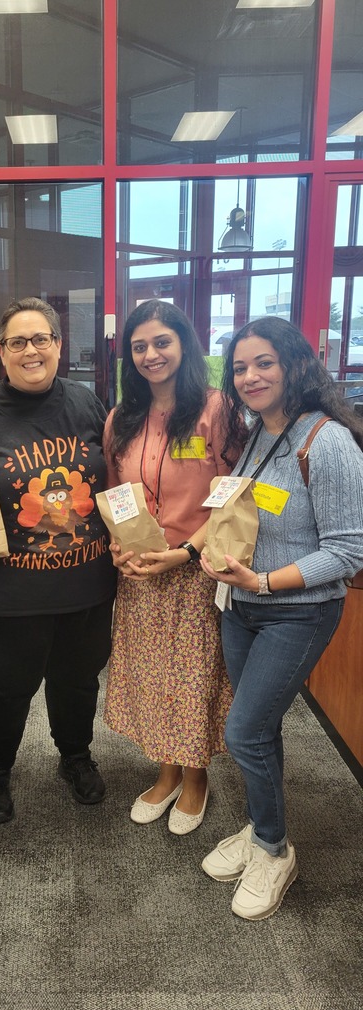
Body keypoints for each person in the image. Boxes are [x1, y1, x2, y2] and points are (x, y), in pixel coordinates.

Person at [200, 316, 363, 920]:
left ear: (294, 365)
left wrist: (263, 580)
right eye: (240, 367)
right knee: (258, 728)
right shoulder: (259, 436)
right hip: (240, 607)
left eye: (263, 362)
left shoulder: (328, 442)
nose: (249, 376)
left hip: (297, 613)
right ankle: (260, 827)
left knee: (243, 730)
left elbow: (348, 551)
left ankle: (273, 849)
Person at [0, 297, 116, 824]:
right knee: (1, 689)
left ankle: (74, 756)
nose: (30, 350)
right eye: (18, 341)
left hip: (85, 587)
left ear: (58, 345)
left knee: (78, 682)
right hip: (5, 594)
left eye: (41, 339)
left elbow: (113, 479)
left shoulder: (87, 404)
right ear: (1, 352)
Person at [103, 300, 244, 834]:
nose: (150, 354)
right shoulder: (122, 417)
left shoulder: (215, 409)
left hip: (194, 569)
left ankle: (197, 777)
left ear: (184, 344)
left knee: (192, 678)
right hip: (139, 570)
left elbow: (234, 495)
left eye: (161, 342)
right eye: (139, 346)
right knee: (149, 675)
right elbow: (116, 492)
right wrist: (121, 546)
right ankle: (164, 772)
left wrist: (184, 553)